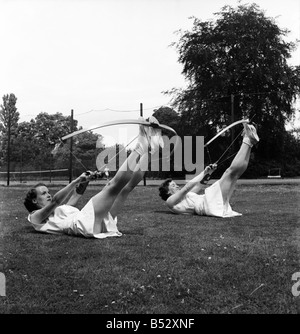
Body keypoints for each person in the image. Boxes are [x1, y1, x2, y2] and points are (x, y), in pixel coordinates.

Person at [24, 117, 163, 239]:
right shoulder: (35, 217)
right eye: (43, 193)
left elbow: (76, 195)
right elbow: (55, 200)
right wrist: (76, 180)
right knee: (112, 187)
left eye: (47, 192)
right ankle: (141, 147)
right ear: (34, 200)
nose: (48, 195)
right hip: (82, 223)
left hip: (93, 222)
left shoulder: (60, 211)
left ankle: (150, 151)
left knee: (126, 188)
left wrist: (85, 180)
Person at [159, 122, 259, 218]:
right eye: (172, 185)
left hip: (209, 203)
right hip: (208, 204)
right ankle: (247, 139)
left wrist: (209, 173)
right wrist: (203, 172)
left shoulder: (185, 197)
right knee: (230, 173)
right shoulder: (170, 202)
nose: (176, 185)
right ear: (168, 192)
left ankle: (249, 143)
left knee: (235, 175)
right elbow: (186, 187)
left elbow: (200, 185)